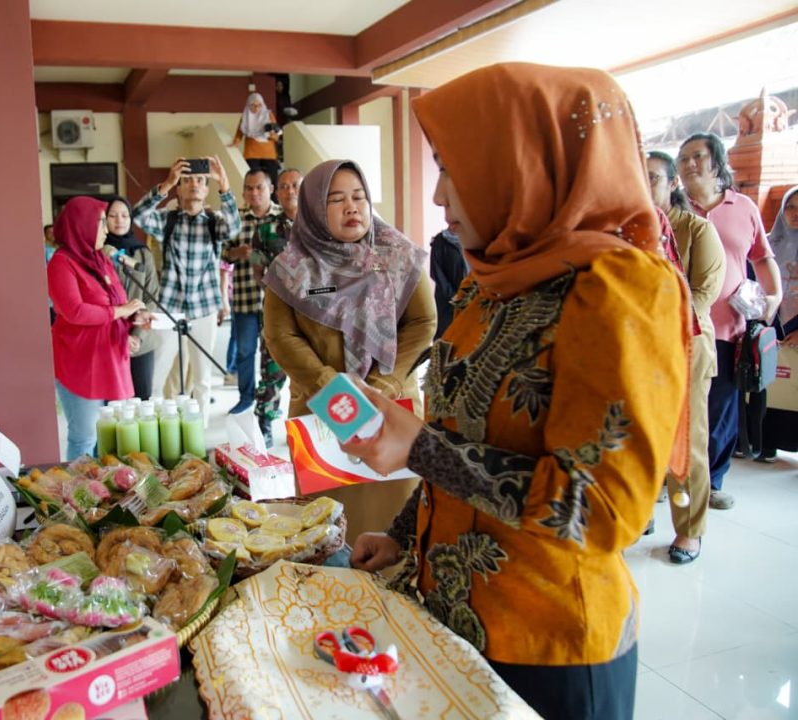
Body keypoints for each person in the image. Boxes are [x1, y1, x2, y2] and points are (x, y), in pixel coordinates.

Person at [342, 64, 690, 720]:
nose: (439, 194)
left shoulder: (619, 291)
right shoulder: (492, 282)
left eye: (453, 170)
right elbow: (460, 437)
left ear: (521, 166)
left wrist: (420, 449)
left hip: (551, 646)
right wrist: (404, 535)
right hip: (452, 617)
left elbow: (599, 509)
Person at [262, 159, 436, 541]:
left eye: (359, 197)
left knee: (396, 523)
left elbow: (423, 322)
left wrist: (384, 386)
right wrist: (332, 386)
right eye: (337, 199)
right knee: (326, 529)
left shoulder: (398, 257)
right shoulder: (290, 269)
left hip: (390, 406)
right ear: (313, 208)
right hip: (322, 408)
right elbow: (280, 336)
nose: (352, 207)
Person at [678, 132, 782, 508]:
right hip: (679, 327)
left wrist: (775, 295)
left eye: (698, 156)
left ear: (718, 161)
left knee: (720, 409)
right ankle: (672, 478)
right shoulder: (673, 208)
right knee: (679, 407)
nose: (690, 164)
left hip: (729, 327)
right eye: (683, 158)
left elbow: (762, 257)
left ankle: (713, 481)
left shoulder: (744, 207)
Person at [647, 151, 725, 563]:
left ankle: (689, 531)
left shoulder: (696, 230)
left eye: (653, 178)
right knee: (642, 435)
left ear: (673, 183)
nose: (644, 186)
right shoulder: (629, 229)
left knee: (687, 442)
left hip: (687, 345)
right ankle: (640, 511)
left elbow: (703, 295)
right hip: (643, 348)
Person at [132, 156, 241, 418]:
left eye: (200, 180)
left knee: (202, 379)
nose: (194, 184)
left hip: (205, 309)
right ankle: (157, 427)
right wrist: (167, 183)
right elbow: (138, 215)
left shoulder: (214, 222)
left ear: (206, 189)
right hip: (170, 308)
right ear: (179, 189)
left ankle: (199, 432)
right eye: (187, 180)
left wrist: (224, 184)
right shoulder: (167, 221)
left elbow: (234, 228)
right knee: (158, 375)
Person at [48, 196, 146, 458]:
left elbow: (117, 300)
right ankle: (79, 485)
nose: (106, 229)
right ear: (82, 226)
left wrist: (133, 318)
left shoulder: (100, 258)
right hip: (81, 362)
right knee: (85, 437)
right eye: (101, 222)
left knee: (117, 435)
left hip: (111, 357)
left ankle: (110, 483)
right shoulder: (61, 262)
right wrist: (120, 312)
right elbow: (75, 311)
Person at [222, 169, 283, 416]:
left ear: (270, 189)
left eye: (259, 187)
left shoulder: (283, 218)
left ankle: (270, 401)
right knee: (245, 352)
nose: (254, 192)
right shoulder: (236, 219)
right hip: (245, 299)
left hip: (276, 303)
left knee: (276, 354)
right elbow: (223, 253)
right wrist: (237, 253)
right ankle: (246, 397)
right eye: (249, 188)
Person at [253, 168, 302, 446]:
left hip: (316, 313)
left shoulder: (322, 225)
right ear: (276, 192)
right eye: (284, 186)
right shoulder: (265, 229)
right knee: (272, 369)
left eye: (295, 185)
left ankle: (311, 426)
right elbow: (257, 270)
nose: (290, 190)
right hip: (278, 312)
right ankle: (265, 421)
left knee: (313, 371)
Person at [104, 195, 160, 400]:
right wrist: (121, 336)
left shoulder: (143, 253)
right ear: (104, 220)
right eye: (113, 215)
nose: (119, 220)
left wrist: (137, 336)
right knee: (113, 403)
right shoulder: (98, 253)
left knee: (142, 399)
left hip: (141, 341)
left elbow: (152, 296)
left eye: (125, 215)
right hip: (108, 340)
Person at [760, 186, 798, 460]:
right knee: (769, 383)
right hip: (771, 323)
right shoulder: (768, 245)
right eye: (790, 207)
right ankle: (764, 442)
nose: (795, 214)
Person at [230, 92, 281, 187]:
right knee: (253, 179)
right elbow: (240, 132)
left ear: (262, 105)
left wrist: (271, 135)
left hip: (269, 153)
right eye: (253, 105)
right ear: (248, 105)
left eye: (259, 105)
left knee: (273, 180)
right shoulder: (245, 117)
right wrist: (235, 142)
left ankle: (273, 196)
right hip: (251, 153)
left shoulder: (268, 115)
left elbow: (276, 134)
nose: (256, 108)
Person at [428, 228, 469, 339]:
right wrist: (454, 296)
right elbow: (436, 273)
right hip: (447, 303)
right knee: (447, 337)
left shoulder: (470, 238)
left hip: (470, 298)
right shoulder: (440, 241)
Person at [45, 223, 57, 324]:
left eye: (54, 232)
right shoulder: (44, 249)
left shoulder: (60, 247)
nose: (52, 234)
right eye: (50, 232)